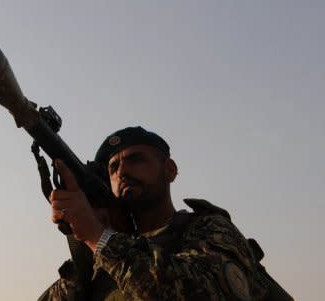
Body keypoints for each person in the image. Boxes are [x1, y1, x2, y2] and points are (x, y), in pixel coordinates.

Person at [39, 126, 283, 300]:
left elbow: (199, 293)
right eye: (113, 167)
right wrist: (84, 247)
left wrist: (98, 236)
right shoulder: (106, 254)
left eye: (136, 160)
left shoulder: (209, 229)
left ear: (170, 170)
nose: (122, 171)